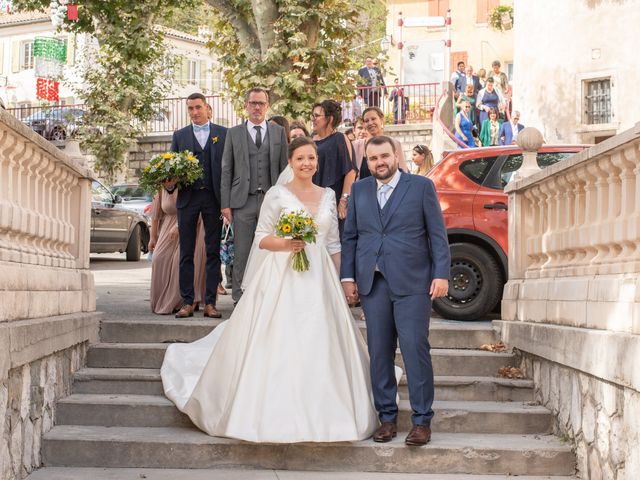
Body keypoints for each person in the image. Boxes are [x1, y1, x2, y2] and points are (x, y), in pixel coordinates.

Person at [161, 136, 378, 442]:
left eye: (311, 158)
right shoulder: (277, 195)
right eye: (300, 158)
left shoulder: (329, 194)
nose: (307, 163)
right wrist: (288, 243)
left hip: (321, 280)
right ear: (290, 162)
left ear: (317, 162)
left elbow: (332, 243)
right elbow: (262, 237)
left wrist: (345, 280)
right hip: (283, 275)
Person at [341, 135, 450, 446]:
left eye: (385, 156)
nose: (380, 163)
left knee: (415, 349)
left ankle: (421, 420)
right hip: (373, 283)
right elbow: (351, 238)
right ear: (368, 162)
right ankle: (386, 418)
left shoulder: (420, 187)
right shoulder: (360, 190)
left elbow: (437, 235)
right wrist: (347, 277)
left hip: (413, 282)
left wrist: (441, 273)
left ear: (396, 155)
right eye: (373, 159)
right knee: (379, 353)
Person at [221, 87, 288, 304]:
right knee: (242, 251)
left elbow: (284, 167)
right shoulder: (234, 133)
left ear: (267, 106)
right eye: (253, 103)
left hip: (271, 200)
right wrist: (225, 204)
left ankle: (268, 295)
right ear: (246, 106)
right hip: (243, 201)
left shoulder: (277, 133)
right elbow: (226, 170)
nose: (257, 107)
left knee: (271, 250)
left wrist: (285, 201)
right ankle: (240, 297)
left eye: (261, 103)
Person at [170, 93, 227, 319]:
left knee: (213, 251)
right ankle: (187, 301)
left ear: (208, 109)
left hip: (214, 199)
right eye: (190, 108)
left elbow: (228, 167)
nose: (194, 112)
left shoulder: (224, 134)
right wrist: (169, 184)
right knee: (186, 251)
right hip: (188, 199)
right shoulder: (180, 136)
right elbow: (171, 169)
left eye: (198, 107)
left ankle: (210, 302)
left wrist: (228, 201)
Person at [148, 187, 207, 314]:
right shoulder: (160, 184)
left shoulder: (188, 179)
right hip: (167, 225)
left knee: (178, 262)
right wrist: (153, 237)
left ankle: (183, 301)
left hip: (191, 222)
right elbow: (156, 214)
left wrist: (179, 225)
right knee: (158, 258)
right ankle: (163, 299)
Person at [311, 99, 357, 225]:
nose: (313, 119)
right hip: (312, 198)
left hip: (334, 200)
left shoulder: (340, 138)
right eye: (312, 115)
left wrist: (343, 200)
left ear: (330, 119)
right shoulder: (310, 140)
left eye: (317, 116)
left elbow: (350, 171)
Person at [355, 106, 408, 179]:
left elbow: (402, 171)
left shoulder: (395, 144)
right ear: (364, 124)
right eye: (366, 121)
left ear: (381, 120)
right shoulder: (356, 146)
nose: (370, 123)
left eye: (373, 119)